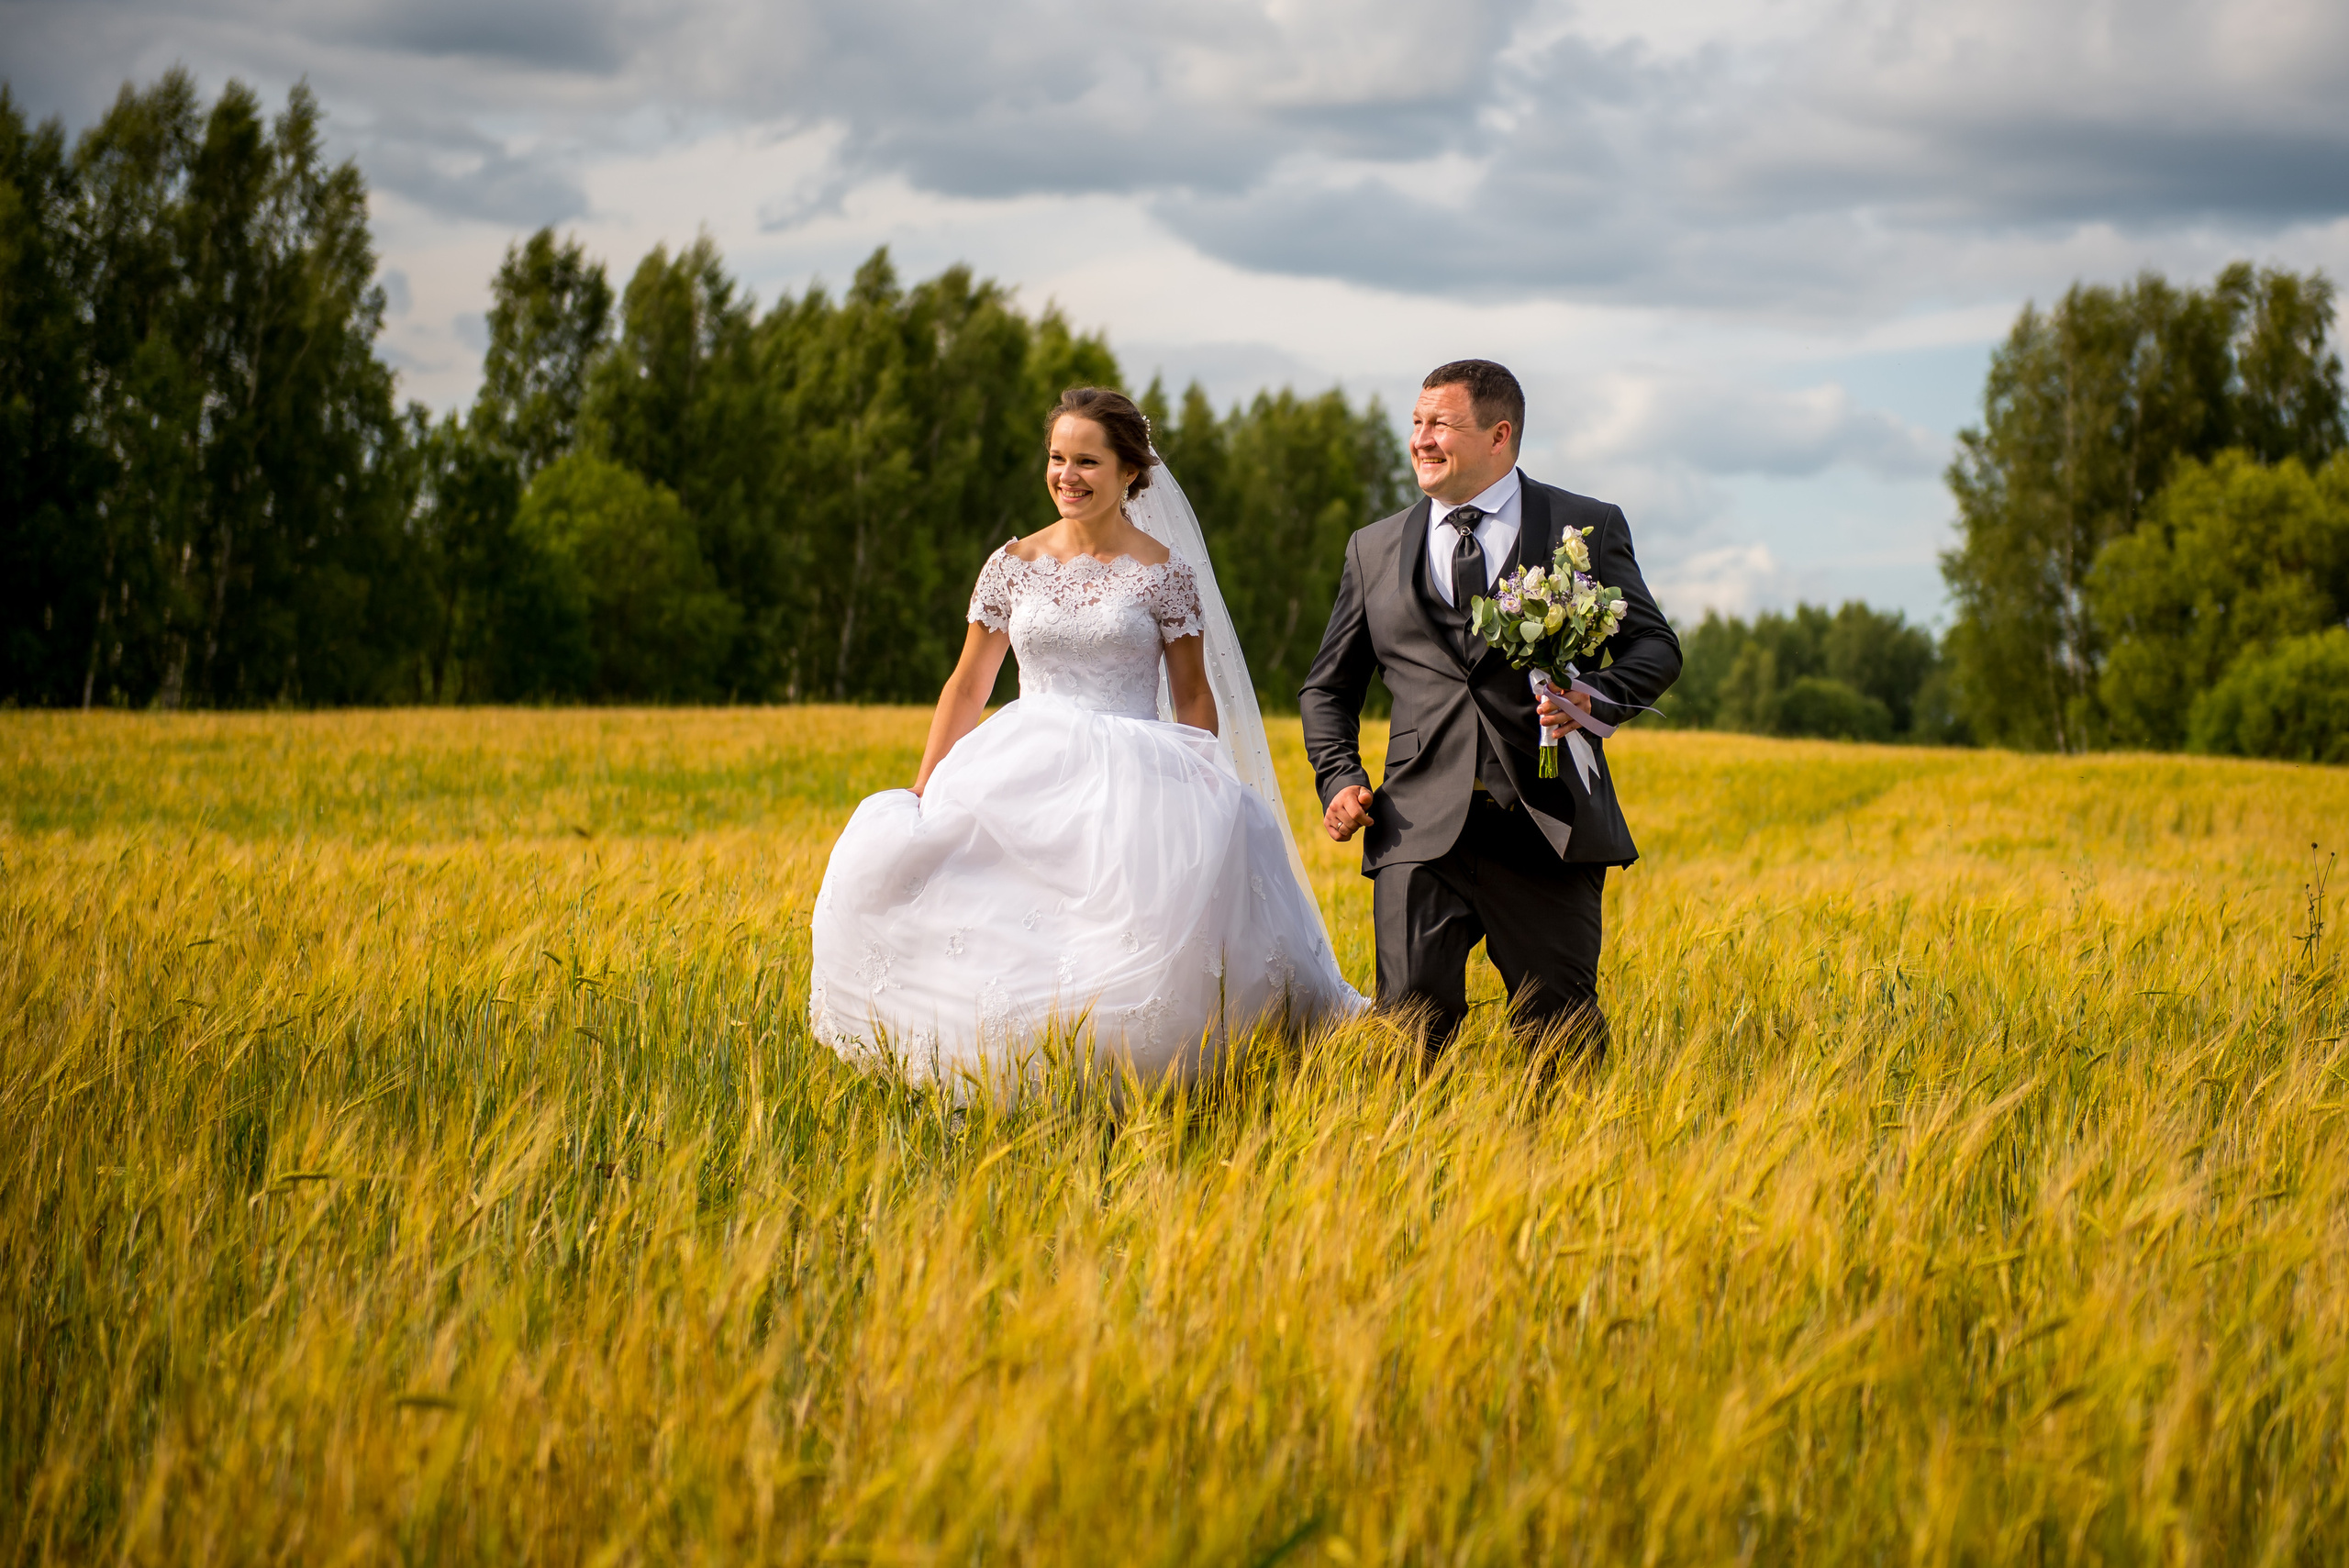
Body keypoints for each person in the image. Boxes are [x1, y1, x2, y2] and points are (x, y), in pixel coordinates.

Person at [810, 387, 1364, 1086]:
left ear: (1130, 471)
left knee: (1119, 943)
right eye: (1056, 458)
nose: (1066, 475)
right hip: (1020, 766)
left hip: (1132, 775)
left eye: (1086, 461)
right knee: (986, 923)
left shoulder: (1166, 575)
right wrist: (925, 783)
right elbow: (969, 684)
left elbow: (1193, 693)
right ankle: (1002, 1072)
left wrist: (1203, 782)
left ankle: (1123, 1080)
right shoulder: (1012, 563)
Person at [1298, 360, 1681, 1062]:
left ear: (1500, 435)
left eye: (1440, 424)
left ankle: (1564, 1169)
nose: (1421, 439)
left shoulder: (1585, 528)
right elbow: (1327, 687)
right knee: (1407, 1030)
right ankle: (1411, 1168)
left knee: (1559, 1037)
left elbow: (1656, 646)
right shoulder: (1373, 548)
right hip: (1414, 827)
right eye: (1416, 423)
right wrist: (1338, 777)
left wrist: (1594, 700)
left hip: (1544, 823)